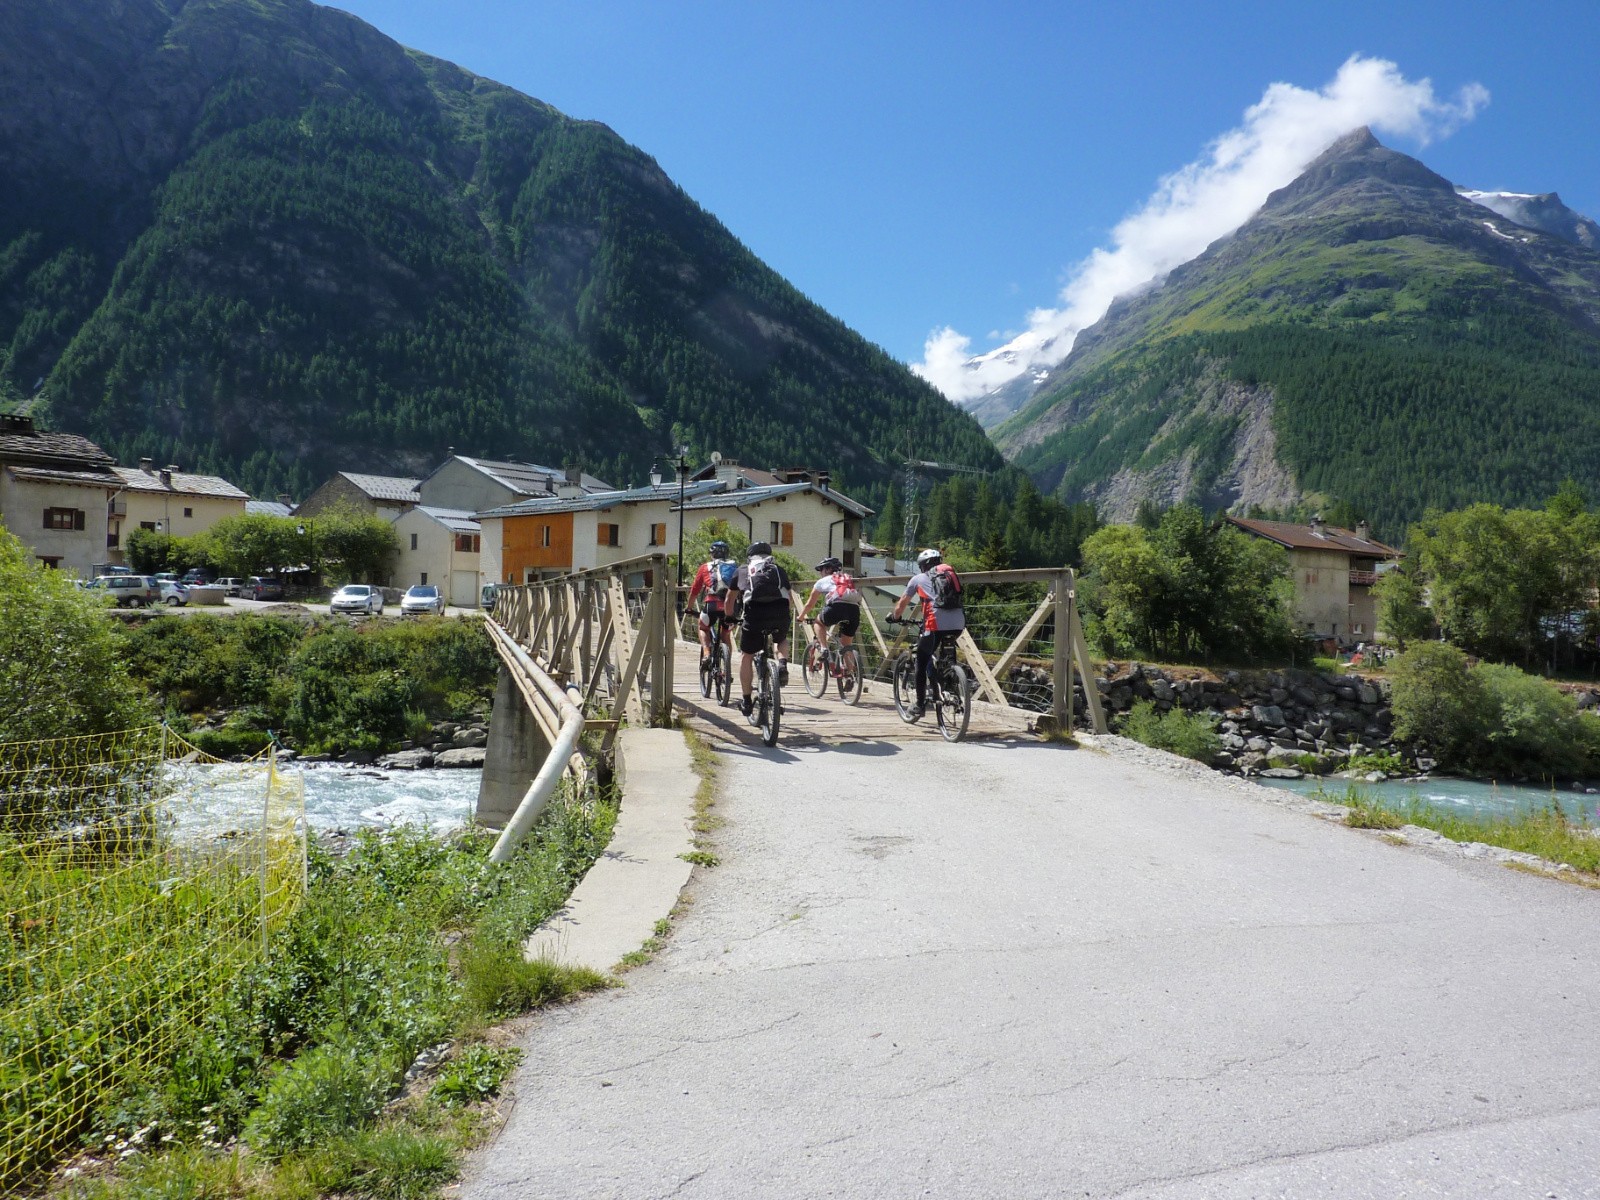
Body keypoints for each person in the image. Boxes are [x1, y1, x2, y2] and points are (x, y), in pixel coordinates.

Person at [890, 548, 965, 721]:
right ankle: (950, 684)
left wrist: (895, 617)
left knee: (921, 662)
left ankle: (919, 704)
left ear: (923, 565)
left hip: (935, 623)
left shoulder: (917, 579)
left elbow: (902, 603)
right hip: (959, 622)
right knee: (946, 656)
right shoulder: (950, 575)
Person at [732, 541, 792, 716]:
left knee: (747, 655)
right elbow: (788, 596)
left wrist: (730, 616)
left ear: (750, 555)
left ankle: (746, 701)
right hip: (779, 611)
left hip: (755, 614)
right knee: (780, 639)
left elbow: (730, 599)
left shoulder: (743, 570)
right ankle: (782, 664)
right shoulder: (778, 569)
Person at [687, 539, 737, 665]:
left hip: (712, 605)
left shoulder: (705, 567)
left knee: (703, 627)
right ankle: (727, 669)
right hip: (730, 607)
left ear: (712, 554)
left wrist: (689, 607)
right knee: (726, 635)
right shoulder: (734, 567)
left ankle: (707, 654)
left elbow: (695, 590)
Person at [798, 555, 862, 656]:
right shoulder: (847, 578)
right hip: (854, 610)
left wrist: (801, 617)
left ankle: (824, 648)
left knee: (818, 623)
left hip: (836, 607)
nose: (820, 573)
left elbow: (810, 604)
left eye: (821, 569)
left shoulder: (822, 581)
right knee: (846, 646)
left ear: (828, 569)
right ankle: (849, 671)